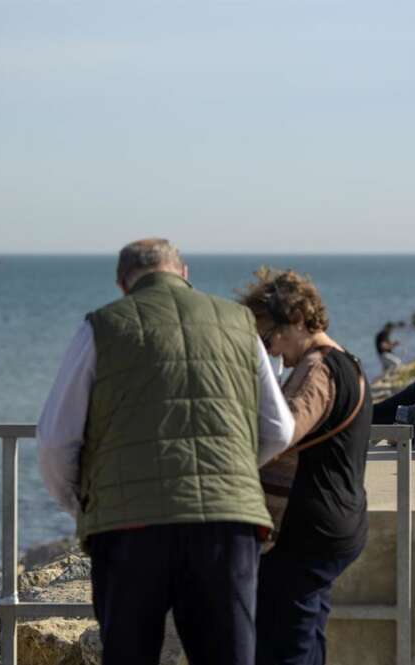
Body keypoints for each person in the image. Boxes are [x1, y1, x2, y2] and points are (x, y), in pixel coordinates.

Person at [37, 239, 295, 665]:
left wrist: (81, 504)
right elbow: (279, 429)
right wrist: (231, 473)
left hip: (128, 527)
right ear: (184, 273)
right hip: (225, 522)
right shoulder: (239, 324)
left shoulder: (101, 327)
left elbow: (54, 441)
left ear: (123, 284)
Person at [240, 268, 372, 665]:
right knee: (307, 637)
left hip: (308, 532)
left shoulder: (317, 371)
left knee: (284, 648)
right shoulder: (347, 361)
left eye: (270, 337)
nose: (272, 351)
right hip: (337, 522)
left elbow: (281, 431)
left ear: (296, 320)